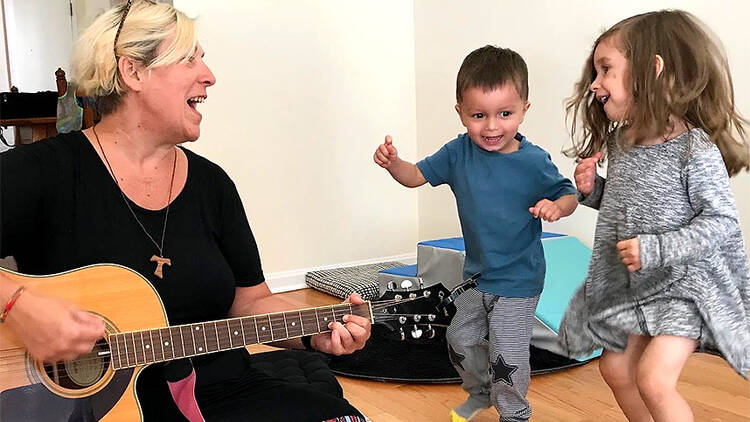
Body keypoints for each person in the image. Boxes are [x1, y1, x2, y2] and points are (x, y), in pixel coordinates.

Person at [0, 1, 370, 421]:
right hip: (89, 408)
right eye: (190, 59)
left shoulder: (213, 185)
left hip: (221, 389)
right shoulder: (43, 172)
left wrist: (311, 332)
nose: (209, 76)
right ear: (133, 71)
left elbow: (250, 304)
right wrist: (18, 306)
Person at [557, 9, 750, 422]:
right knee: (615, 368)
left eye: (606, 69)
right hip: (641, 286)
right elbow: (627, 210)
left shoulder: (693, 150)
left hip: (686, 284)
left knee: (654, 379)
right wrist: (593, 193)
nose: (595, 84)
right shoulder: (622, 142)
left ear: (652, 69)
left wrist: (658, 248)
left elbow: (721, 223)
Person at [373, 45, 578, 422]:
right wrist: (394, 164)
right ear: (461, 112)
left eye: (505, 114)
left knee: (507, 353)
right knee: (459, 339)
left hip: (519, 280)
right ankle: (480, 392)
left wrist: (556, 207)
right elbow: (415, 175)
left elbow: (569, 194)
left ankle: (514, 413)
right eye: (478, 115)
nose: (491, 126)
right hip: (478, 278)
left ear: (524, 110)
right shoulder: (457, 153)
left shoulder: (532, 162)